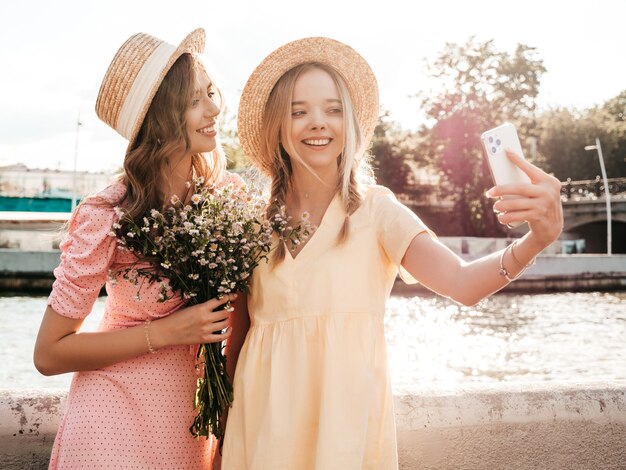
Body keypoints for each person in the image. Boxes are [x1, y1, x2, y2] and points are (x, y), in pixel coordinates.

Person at [221, 37, 563, 469]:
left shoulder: (377, 210)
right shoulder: (251, 225)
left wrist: (535, 240)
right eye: (298, 111)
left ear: (350, 123)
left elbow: (462, 284)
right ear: (276, 125)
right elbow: (237, 344)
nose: (318, 123)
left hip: (344, 440)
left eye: (333, 109)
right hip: (259, 436)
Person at [33, 29, 247, 469]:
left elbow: (241, 328)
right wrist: (168, 332)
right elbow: (49, 353)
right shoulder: (108, 214)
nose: (214, 109)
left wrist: (228, 426)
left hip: (191, 426)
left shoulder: (232, 199)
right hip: (110, 418)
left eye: (211, 92)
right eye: (194, 101)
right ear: (160, 118)